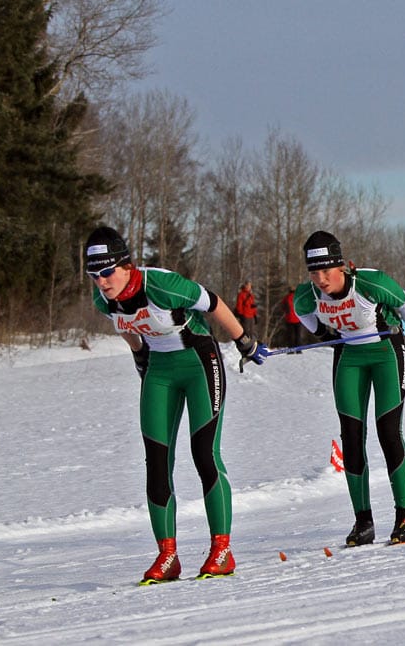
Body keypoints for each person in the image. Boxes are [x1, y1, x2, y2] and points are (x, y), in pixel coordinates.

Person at [84, 226, 268, 584]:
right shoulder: (103, 297)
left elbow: (213, 303)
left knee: (204, 453)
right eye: (94, 275)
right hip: (160, 370)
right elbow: (125, 323)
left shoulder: (162, 285)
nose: (101, 282)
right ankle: (167, 556)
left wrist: (244, 340)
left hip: (199, 363)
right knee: (156, 461)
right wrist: (139, 354)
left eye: (106, 272)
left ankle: (222, 550)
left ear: (126, 266)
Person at [293, 231, 405, 546]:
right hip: (349, 359)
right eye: (314, 273)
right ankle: (363, 521)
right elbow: (302, 311)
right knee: (352, 438)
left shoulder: (370, 283)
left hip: (385, 354)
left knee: (388, 432)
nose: (321, 279)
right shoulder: (307, 294)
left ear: (341, 266)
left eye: (326, 271)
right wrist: (323, 333)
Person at [281, 286, 303, 351]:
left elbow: (282, 307)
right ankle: (298, 349)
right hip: (298, 319)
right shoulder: (298, 297)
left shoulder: (286, 298)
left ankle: (290, 349)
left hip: (289, 319)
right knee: (298, 335)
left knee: (290, 335)